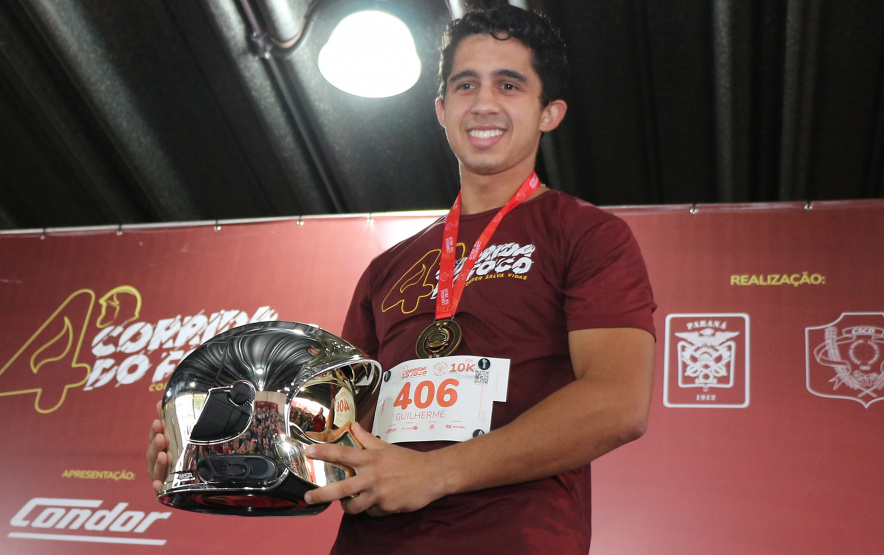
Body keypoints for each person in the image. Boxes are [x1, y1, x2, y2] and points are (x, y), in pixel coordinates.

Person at [148, 5, 655, 554]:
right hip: (375, 539)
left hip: (514, 536)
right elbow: (343, 420)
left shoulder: (588, 233)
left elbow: (617, 402)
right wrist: (217, 446)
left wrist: (435, 473)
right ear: (441, 108)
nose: (484, 102)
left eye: (509, 85)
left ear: (549, 112)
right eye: (466, 85)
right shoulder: (387, 267)